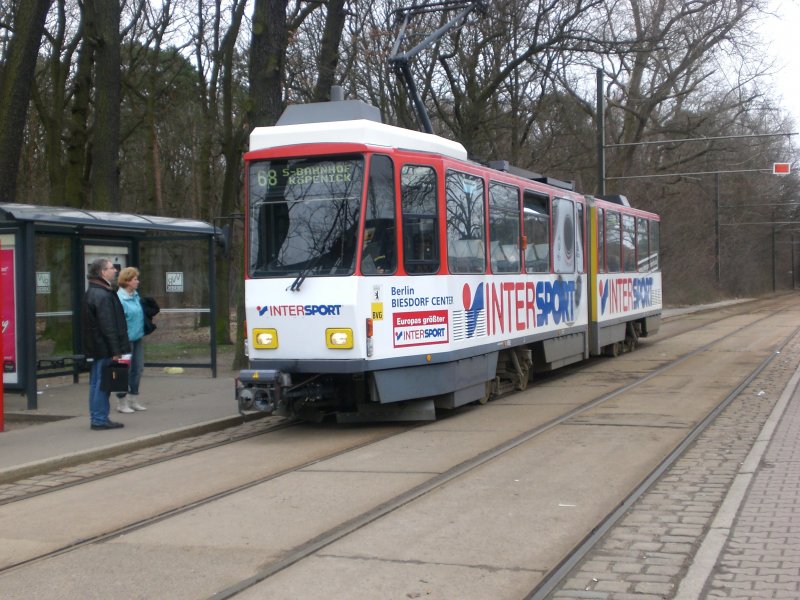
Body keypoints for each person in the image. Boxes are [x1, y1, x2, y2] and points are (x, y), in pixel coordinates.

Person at [82, 258, 131, 430]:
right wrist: (115, 350)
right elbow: (108, 325)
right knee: (103, 383)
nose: (115, 271)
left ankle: (98, 416)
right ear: (102, 272)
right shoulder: (102, 294)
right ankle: (99, 419)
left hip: (98, 346)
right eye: (112, 268)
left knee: (96, 382)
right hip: (105, 347)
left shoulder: (94, 291)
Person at [115, 266, 147, 413]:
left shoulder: (136, 296)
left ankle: (133, 399)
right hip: (124, 340)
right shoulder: (119, 299)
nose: (138, 281)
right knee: (123, 369)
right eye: (135, 279)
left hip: (137, 337)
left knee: (137, 368)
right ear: (127, 281)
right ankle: (122, 402)